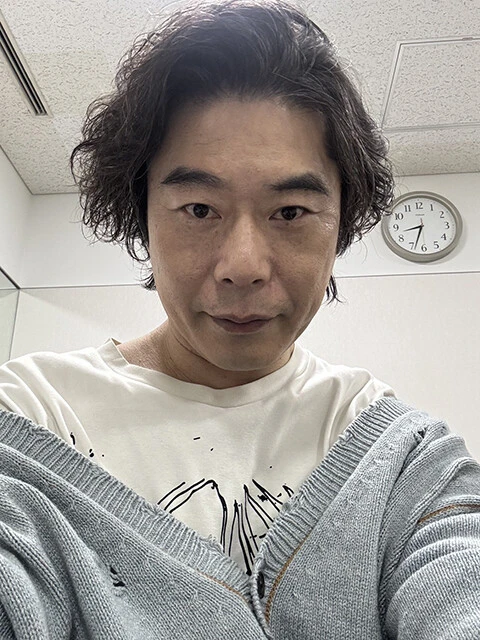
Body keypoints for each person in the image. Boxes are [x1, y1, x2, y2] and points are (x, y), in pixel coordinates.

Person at [0, 1, 479, 638]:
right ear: (142, 217)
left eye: (290, 212)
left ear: (340, 223)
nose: (243, 267)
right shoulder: (33, 417)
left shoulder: (393, 450)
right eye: (200, 209)